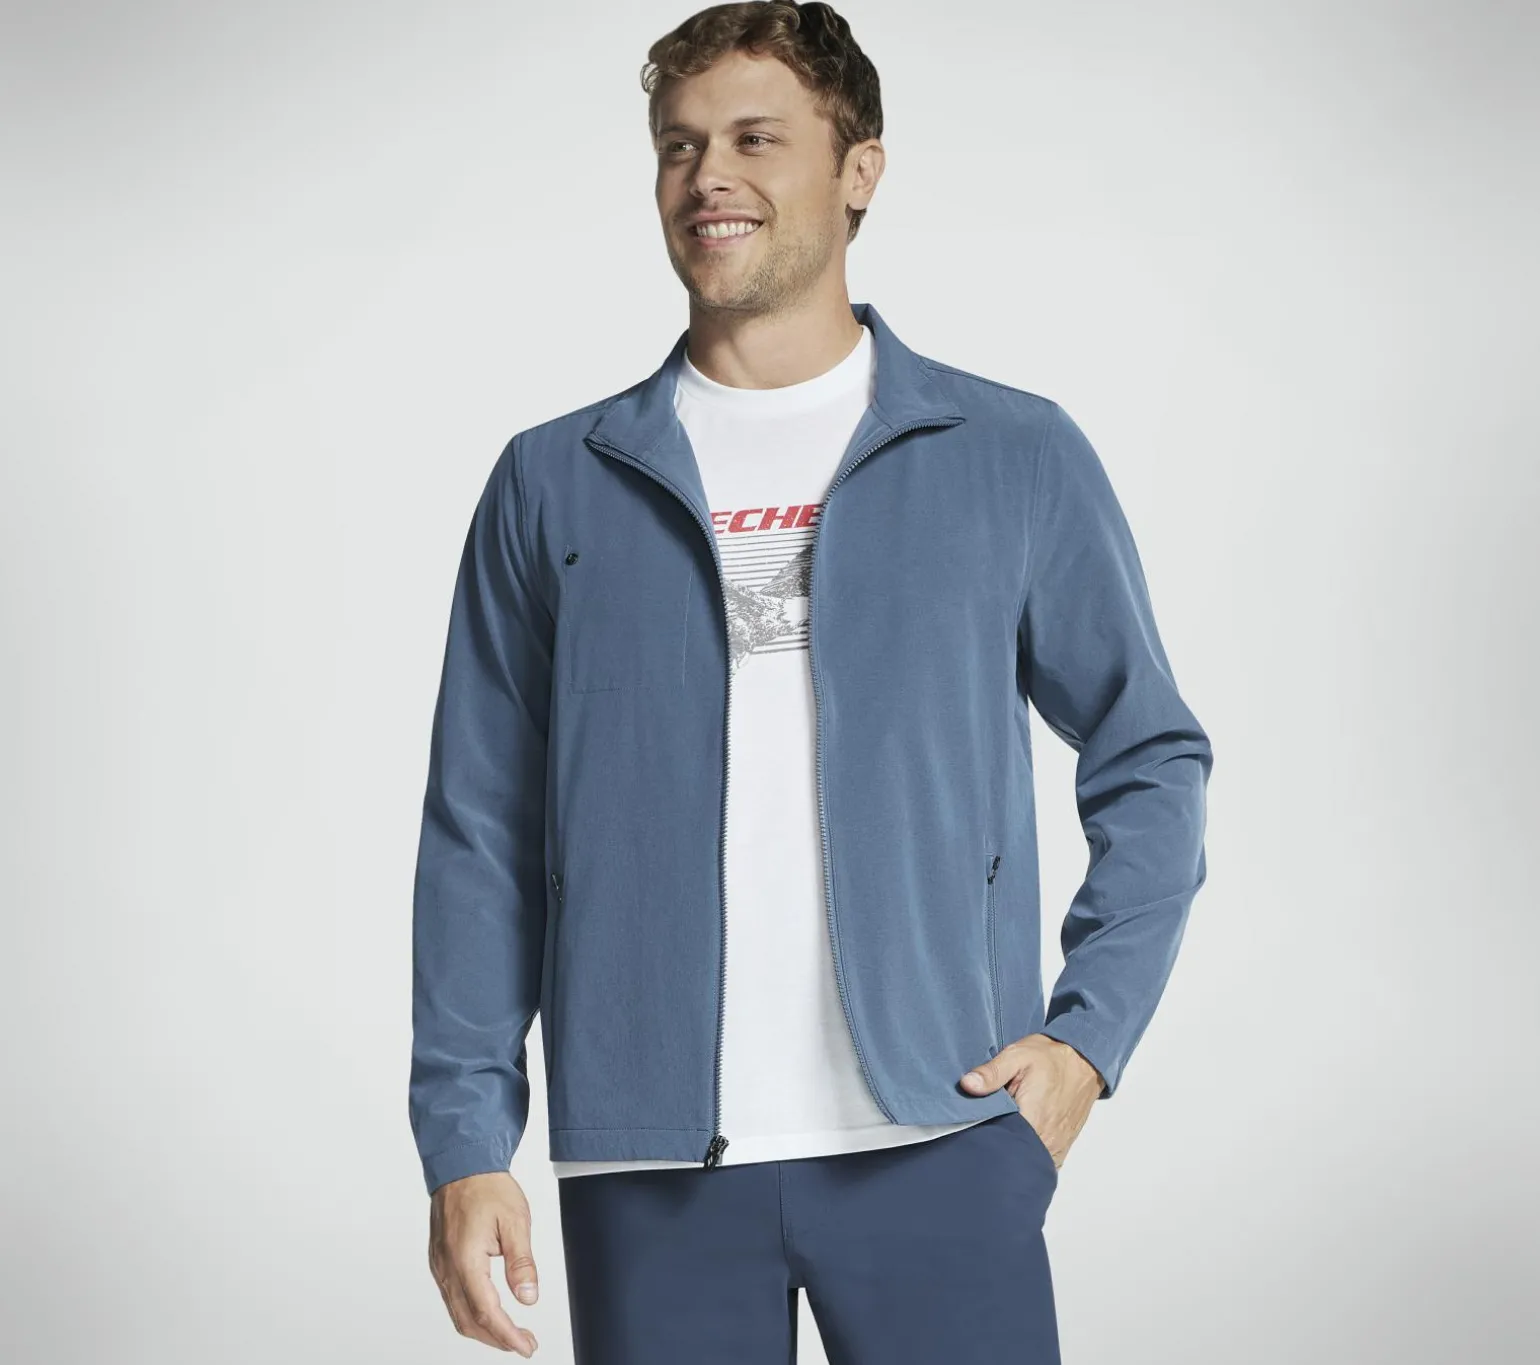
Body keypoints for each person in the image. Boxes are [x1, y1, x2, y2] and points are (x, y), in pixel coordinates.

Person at [408, 3, 1213, 1360]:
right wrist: (464, 1138)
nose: (707, 176)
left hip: (945, 1129)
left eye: (754, 139)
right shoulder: (554, 480)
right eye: (679, 145)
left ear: (859, 170)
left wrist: (1087, 1043)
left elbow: (1151, 756)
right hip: (645, 1163)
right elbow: (479, 831)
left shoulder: (1008, 453)